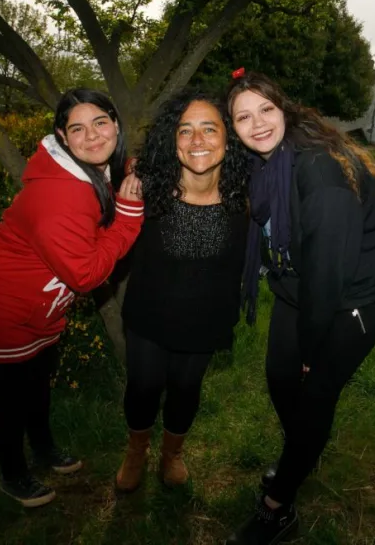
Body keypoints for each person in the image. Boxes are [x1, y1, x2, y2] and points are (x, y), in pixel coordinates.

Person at [223, 71, 375, 544]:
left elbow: (329, 268)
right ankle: (304, 448)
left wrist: (313, 346)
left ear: (283, 108)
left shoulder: (318, 171)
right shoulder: (263, 163)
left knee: (315, 388)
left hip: (353, 292)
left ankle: (278, 507)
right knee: (280, 378)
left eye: (265, 109)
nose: (257, 123)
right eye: (243, 116)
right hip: (299, 282)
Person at [0, 88, 144, 508]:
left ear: (115, 123)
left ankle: (43, 449)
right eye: (77, 128)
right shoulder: (61, 196)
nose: (92, 136)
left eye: (100, 123)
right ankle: (13, 474)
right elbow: (85, 274)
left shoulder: (90, 166)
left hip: (34, 299)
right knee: (10, 392)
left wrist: (138, 166)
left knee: (38, 376)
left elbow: (116, 168)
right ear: (61, 136)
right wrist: (128, 217)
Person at [114, 90, 250, 492]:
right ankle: (136, 450)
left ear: (229, 137)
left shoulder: (247, 194)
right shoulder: (146, 190)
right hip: (149, 315)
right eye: (185, 131)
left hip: (205, 319)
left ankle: (172, 454)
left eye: (209, 129)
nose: (197, 141)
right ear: (170, 141)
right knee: (143, 386)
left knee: (186, 390)